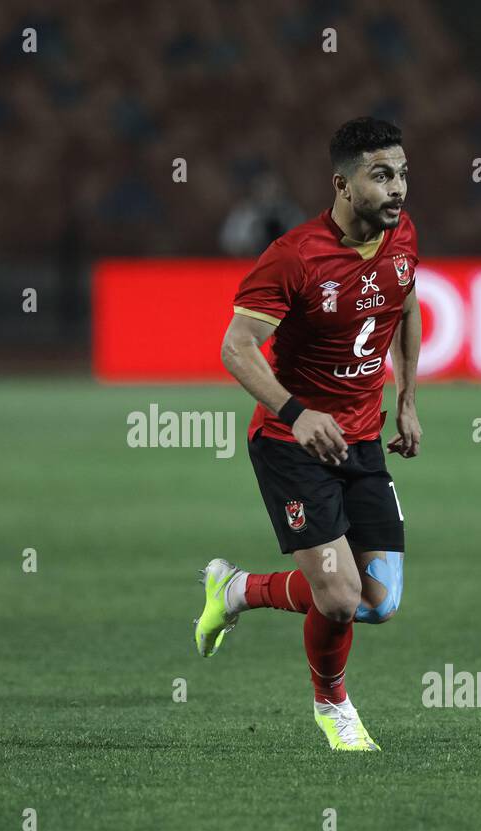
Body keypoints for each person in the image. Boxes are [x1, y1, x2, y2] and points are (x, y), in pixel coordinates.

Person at [194, 117, 422, 751]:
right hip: (290, 445)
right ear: (343, 185)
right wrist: (297, 413)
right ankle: (333, 706)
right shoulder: (294, 258)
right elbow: (235, 348)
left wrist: (407, 398)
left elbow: (404, 303)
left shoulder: (401, 236)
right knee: (342, 597)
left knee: (379, 601)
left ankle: (238, 588)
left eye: (402, 173)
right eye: (381, 176)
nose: (398, 188)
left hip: (363, 440)